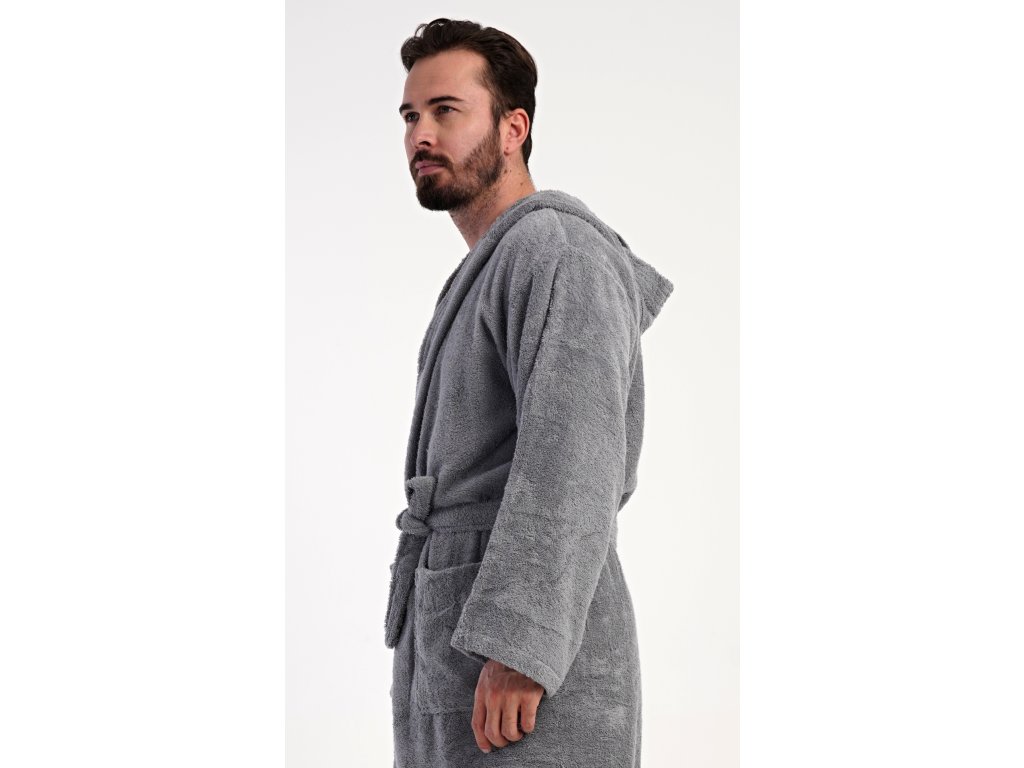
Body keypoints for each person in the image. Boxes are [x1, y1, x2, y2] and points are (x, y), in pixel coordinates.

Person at [385, 18, 673, 767]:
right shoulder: (494, 264)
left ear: (513, 129)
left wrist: (521, 645)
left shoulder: (559, 252)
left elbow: (576, 457)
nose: (421, 134)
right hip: (459, 645)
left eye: (446, 110)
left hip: (526, 664)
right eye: (411, 116)